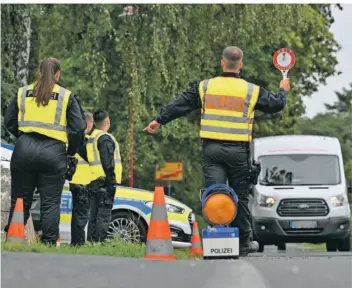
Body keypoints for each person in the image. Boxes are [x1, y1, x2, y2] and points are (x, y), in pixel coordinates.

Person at [144, 46, 290, 256]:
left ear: (222, 63)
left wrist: (159, 120)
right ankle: (243, 242)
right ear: (240, 65)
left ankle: (217, 237)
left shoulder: (205, 87)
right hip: (238, 151)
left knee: (215, 194)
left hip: (212, 150)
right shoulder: (251, 90)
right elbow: (276, 104)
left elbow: (181, 103)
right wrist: (283, 89)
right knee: (240, 195)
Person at [3, 57, 86, 245]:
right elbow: (78, 129)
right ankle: (48, 245)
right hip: (53, 152)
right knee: (50, 203)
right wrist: (71, 152)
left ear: (40, 73)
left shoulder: (22, 93)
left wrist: (23, 137)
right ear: (58, 75)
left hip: (24, 150)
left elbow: (8, 121)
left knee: (20, 200)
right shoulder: (66, 96)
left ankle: (13, 241)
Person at [78, 109, 123, 243]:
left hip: (94, 181)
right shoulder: (105, 138)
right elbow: (107, 161)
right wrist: (111, 179)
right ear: (108, 121)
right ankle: (99, 243)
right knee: (103, 216)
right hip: (105, 182)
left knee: (93, 216)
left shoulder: (92, 138)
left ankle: (92, 243)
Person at [68, 111, 94, 246]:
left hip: (74, 181)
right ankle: (78, 244)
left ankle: (75, 242)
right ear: (88, 123)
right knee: (81, 215)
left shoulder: (71, 138)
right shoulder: (85, 140)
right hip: (84, 182)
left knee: (77, 214)